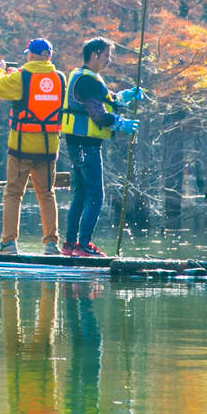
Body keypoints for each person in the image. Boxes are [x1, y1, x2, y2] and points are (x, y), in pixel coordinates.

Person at [60, 37, 142, 257]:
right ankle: (83, 245)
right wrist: (120, 123)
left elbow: (105, 99)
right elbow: (98, 115)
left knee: (80, 195)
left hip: (76, 144)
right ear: (95, 54)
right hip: (87, 146)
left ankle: (69, 245)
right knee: (96, 196)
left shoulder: (83, 77)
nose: (109, 60)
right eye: (107, 55)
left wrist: (126, 95)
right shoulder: (88, 80)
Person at [0, 38, 66, 255]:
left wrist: (0, 71)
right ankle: (51, 244)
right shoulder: (59, 78)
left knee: (13, 194)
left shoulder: (21, 76)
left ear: (31, 55)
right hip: (48, 147)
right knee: (47, 194)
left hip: (21, 147)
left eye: (27, 54)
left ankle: (8, 243)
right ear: (48, 56)